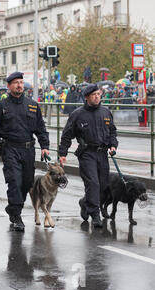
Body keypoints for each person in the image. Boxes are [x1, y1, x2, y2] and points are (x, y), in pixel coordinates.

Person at [0, 72, 50, 232]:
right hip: (10, 149)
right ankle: (17, 216)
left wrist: (45, 146)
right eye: (15, 83)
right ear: (9, 86)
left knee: (27, 183)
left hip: (28, 150)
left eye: (21, 82)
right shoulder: (1, 106)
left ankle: (13, 208)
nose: (19, 85)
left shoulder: (33, 105)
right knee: (14, 181)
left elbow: (41, 128)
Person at [59, 84, 118, 228]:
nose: (97, 97)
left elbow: (112, 131)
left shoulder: (106, 112)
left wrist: (113, 145)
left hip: (102, 153)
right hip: (87, 154)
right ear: (86, 97)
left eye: (98, 94)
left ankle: (85, 202)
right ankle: (95, 214)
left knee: (103, 185)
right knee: (93, 183)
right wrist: (62, 153)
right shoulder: (78, 114)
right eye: (94, 95)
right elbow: (67, 135)